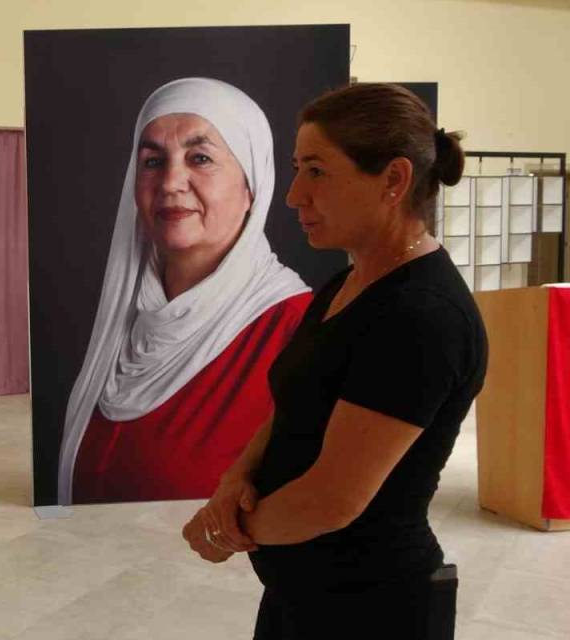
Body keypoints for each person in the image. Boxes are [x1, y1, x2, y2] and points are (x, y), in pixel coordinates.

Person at [181, 83, 487, 639]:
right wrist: (237, 477)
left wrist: (226, 529)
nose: (295, 194)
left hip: (371, 608)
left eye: (317, 171)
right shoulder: (350, 282)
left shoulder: (420, 317)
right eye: (297, 168)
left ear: (393, 180)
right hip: (305, 592)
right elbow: (297, 402)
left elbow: (332, 500)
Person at [58, 78, 312, 505]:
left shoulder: (299, 331)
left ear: (252, 186)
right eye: (152, 161)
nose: (171, 182)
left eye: (200, 158)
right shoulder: (120, 324)